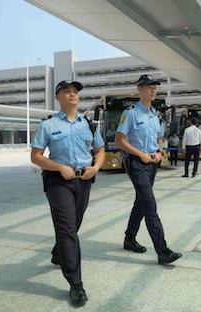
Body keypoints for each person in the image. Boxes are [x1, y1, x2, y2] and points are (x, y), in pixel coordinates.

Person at [31, 80, 105, 306]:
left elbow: (100, 149)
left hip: (84, 180)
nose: (72, 95)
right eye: (67, 92)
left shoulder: (89, 125)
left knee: (73, 225)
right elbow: (36, 156)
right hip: (58, 181)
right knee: (67, 229)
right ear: (58, 97)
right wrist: (59, 167)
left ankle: (58, 252)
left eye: (75, 92)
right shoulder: (49, 125)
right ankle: (76, 284)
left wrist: (96, 167)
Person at [115, 74, 182, 265]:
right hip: (136, 163)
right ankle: (162, 251)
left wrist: (160, 151)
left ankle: (129, 238)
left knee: (141, 202)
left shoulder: (156, 114)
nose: (153, 90)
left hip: (153, 163)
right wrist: (140, 154)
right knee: (150, 205)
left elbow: (160, 137)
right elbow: (119, 141)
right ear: (140, 89)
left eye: (155, 88)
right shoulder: (131, 114)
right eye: (149, 87)